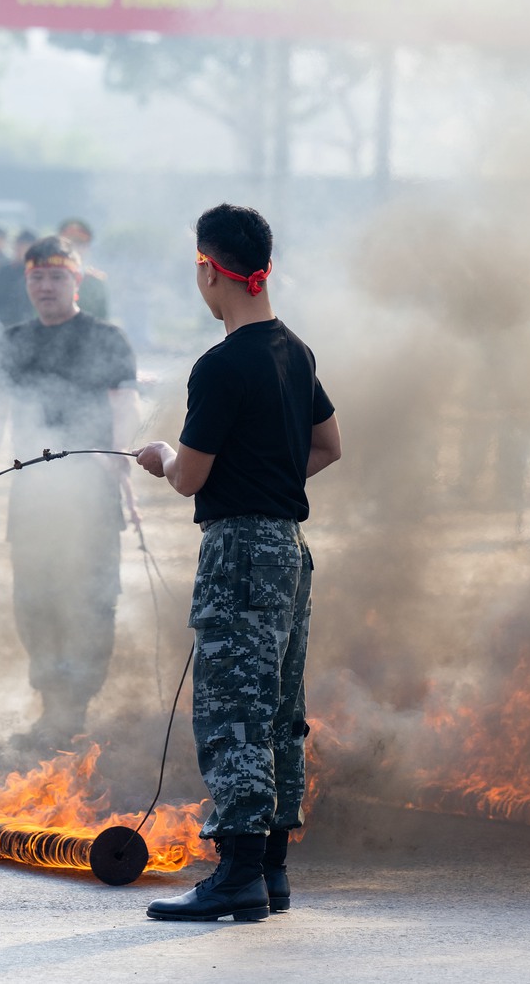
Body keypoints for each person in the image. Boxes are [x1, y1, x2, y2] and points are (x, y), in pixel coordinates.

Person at [135, 204, 340, 924]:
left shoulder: (222, 365)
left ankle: (237, 875)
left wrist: (159, 456)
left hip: (241, 551)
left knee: (234, 708)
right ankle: (273, 869)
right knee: (281, 707)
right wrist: (269, 477)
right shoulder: (296, 351)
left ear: (209, 271)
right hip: (289, 547)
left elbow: (189, 475)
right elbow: (327, 446)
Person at [0, 235, 139, 747]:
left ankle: (74, 706)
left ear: (77, 281)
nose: (46, 286)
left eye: (57, 277)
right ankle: (53, 704)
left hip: (90, 493)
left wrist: (118, 460)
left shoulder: (107, 338)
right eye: (37, 277)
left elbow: (123, 404)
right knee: (35, 599)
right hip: (34, 493)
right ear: (27, 282)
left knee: (89, 597)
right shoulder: (15, 340)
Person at [59, 217, 110, 320]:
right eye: (69, 243)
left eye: (80, 243)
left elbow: (102, 321)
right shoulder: (45, 280)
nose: (75, 248)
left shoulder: (95, 283)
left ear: (87, 247)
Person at [0, 228, 37, 326]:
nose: (19, 250)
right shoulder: (3, 271)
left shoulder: (36, 274)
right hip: (3, 325)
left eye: (24, 246)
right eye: (18, 245)